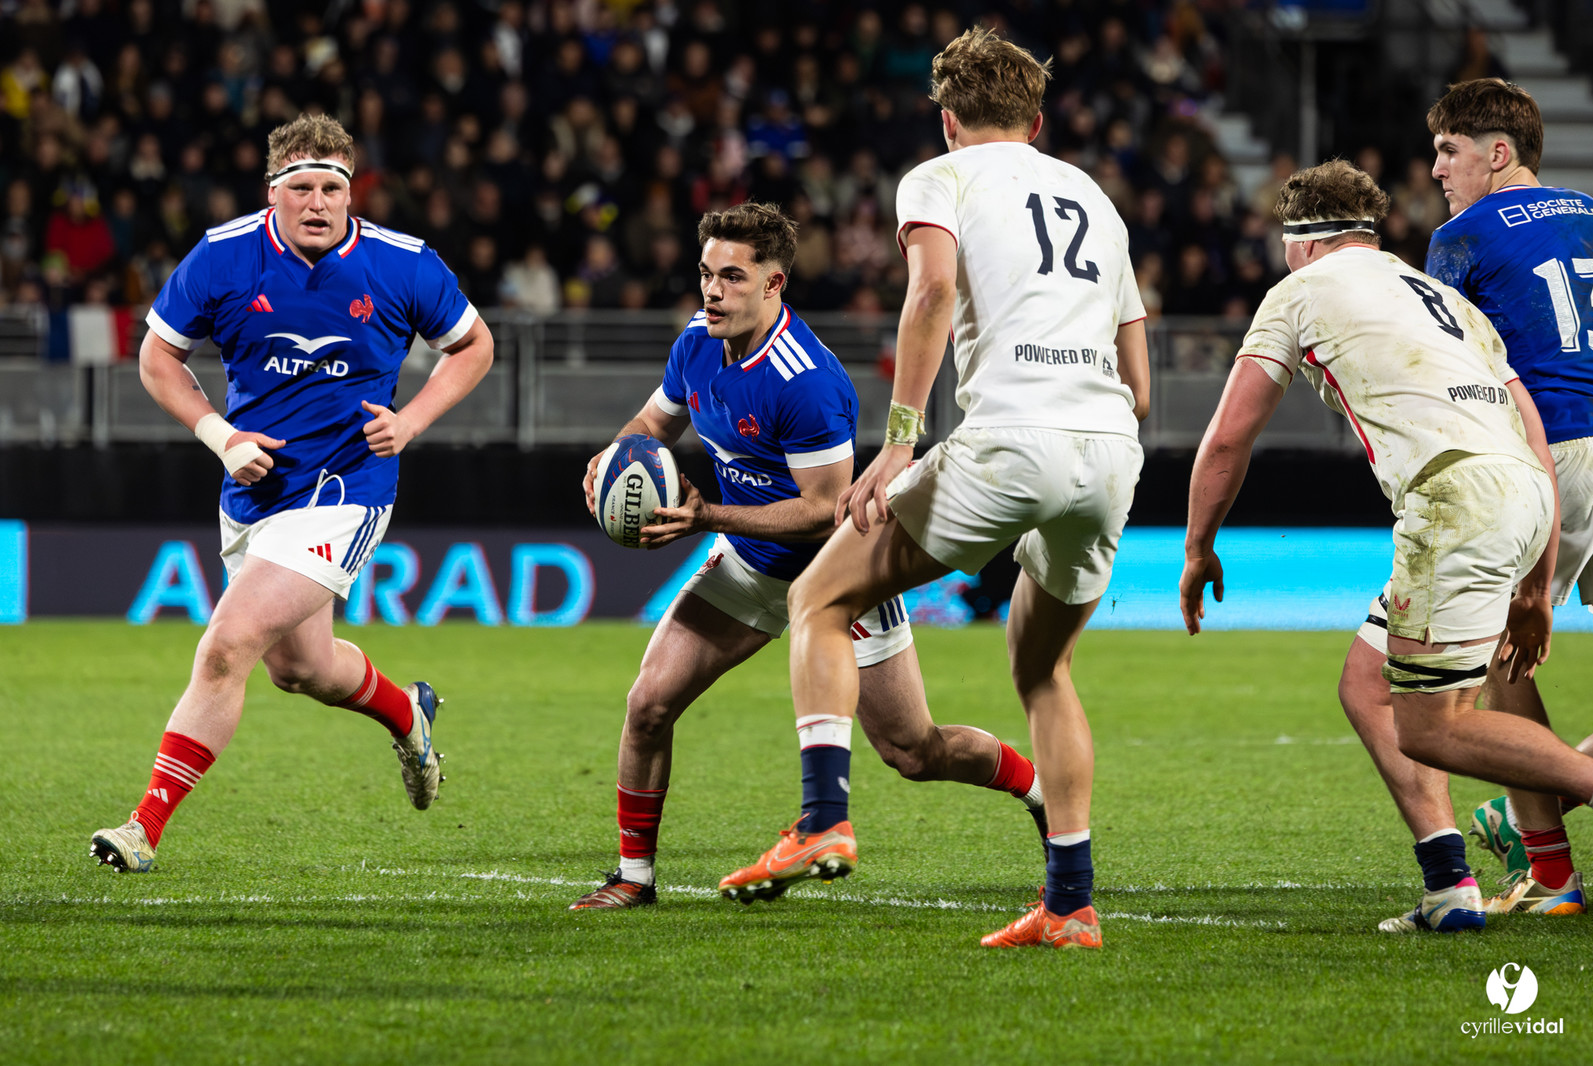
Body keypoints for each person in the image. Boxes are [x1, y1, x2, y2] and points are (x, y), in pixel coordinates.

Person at [719, 28, 1150, 951]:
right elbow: (1141, 382)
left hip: (1008, 438)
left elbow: (929, 295)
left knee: (821, 596)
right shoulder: (1096, 199)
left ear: (948, 118)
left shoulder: (940, 176)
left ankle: (823, 815)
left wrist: (899, 444)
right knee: (1044, 670)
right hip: (1111, 446)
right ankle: (1071, 907)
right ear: (1036, 121)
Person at [569, 202, 1048, 910]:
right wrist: (613, 458)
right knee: (647, 705)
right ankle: (634, 880)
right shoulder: (696, 343)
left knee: (915, 752)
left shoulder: (807, 380)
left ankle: (1038, 789)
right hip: (747, 566)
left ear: (774, 285)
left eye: (732, 277)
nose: (712, 292)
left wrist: (705, 516)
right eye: (706, 274)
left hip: (834, 577)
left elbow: (825, 508)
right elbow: (651, 424)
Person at [1179, 158, 1593, 934]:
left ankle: (1587, 789)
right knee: (1367, 684)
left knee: (1432, 727)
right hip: (1522, 488)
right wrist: (1537, 583)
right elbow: (1530, 425)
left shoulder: (1299, 292)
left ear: (1301, 241)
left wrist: (1198, 545)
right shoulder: (1440, 294)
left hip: (1454, 500)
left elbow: (1228, 437)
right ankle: (1451, 886)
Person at [90, 114, 494, 872]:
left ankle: (143, 826)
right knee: (300, 669)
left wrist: (410, 421)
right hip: (253, 489)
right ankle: (410, 713)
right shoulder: (223, 255)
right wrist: (222, 436)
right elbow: (156, 357)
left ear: (352, 191)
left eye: (332, 188)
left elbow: (474, 345)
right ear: (272, 192)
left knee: (228, 646)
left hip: (346, 487)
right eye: (300, 187)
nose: (317, 202)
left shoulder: (404, 264)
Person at [1338, 78, 1593, 923]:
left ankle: (1549, 865)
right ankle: (1542, 820)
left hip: (1545, 452)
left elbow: (1444, 357)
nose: (1438, 168)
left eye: (1450, 150)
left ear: (1498, 153)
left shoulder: (1463, 235)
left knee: (1480, 661)